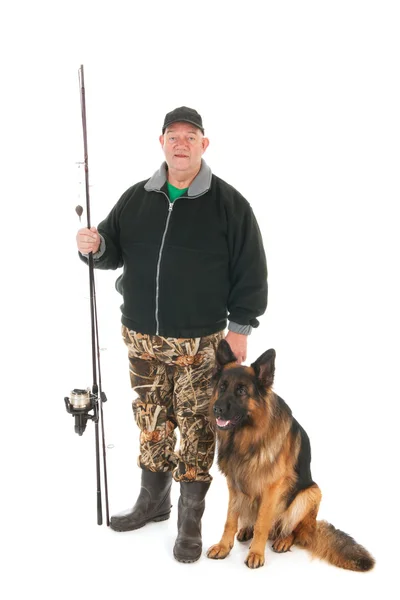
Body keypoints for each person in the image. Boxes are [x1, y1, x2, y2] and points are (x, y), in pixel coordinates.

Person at [76, 106, 268, 563]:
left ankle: (190, 520)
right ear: (161, 141)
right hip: (141, 339)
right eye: (172, 135)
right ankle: (154, 502)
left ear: (204, 144)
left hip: (200, 345)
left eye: (190, 135)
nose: (180, 143)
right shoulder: (136, 197)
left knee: (200, 427)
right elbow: (110, 249)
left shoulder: (229, 204)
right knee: (152, 421)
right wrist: (95, 246)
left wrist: (240, 329)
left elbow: (251, 271)